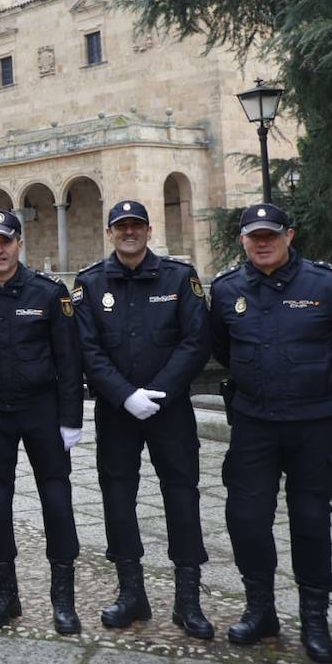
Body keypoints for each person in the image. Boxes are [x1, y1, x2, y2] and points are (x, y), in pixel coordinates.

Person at [211, 203, 332, 663]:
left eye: (271, 234)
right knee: (246, 519)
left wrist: (328, 390)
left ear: (290, 235)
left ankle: (314, 619)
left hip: (314, 425)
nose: (262, 242)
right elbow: (223, 348)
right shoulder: (227, 289)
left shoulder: (330, 285)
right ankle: (261, 609)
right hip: (254, 424)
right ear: (244, 240)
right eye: (254, 236)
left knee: (310, 520)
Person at [74, 200, 213, 637]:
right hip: (118, 413)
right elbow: (88, 350)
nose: (129, 232)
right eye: (121, 227)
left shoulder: (178, 277)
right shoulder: (91, 283)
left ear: (149, 230)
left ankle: (187, 602)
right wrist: (124, 395)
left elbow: (196, 341)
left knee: (182, 498)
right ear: (110, 232)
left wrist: (160, 392)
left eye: (136, 225)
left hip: (170, 411)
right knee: (117, 499)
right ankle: (131, 593)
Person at [0, 210, 84, 634]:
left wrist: (71, 419)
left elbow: (69, 360)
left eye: (5, 241)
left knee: (57, 501)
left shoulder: (47, 293)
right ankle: (6, 594)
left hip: (41, 410)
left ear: (18, 244)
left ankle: (63, 599)